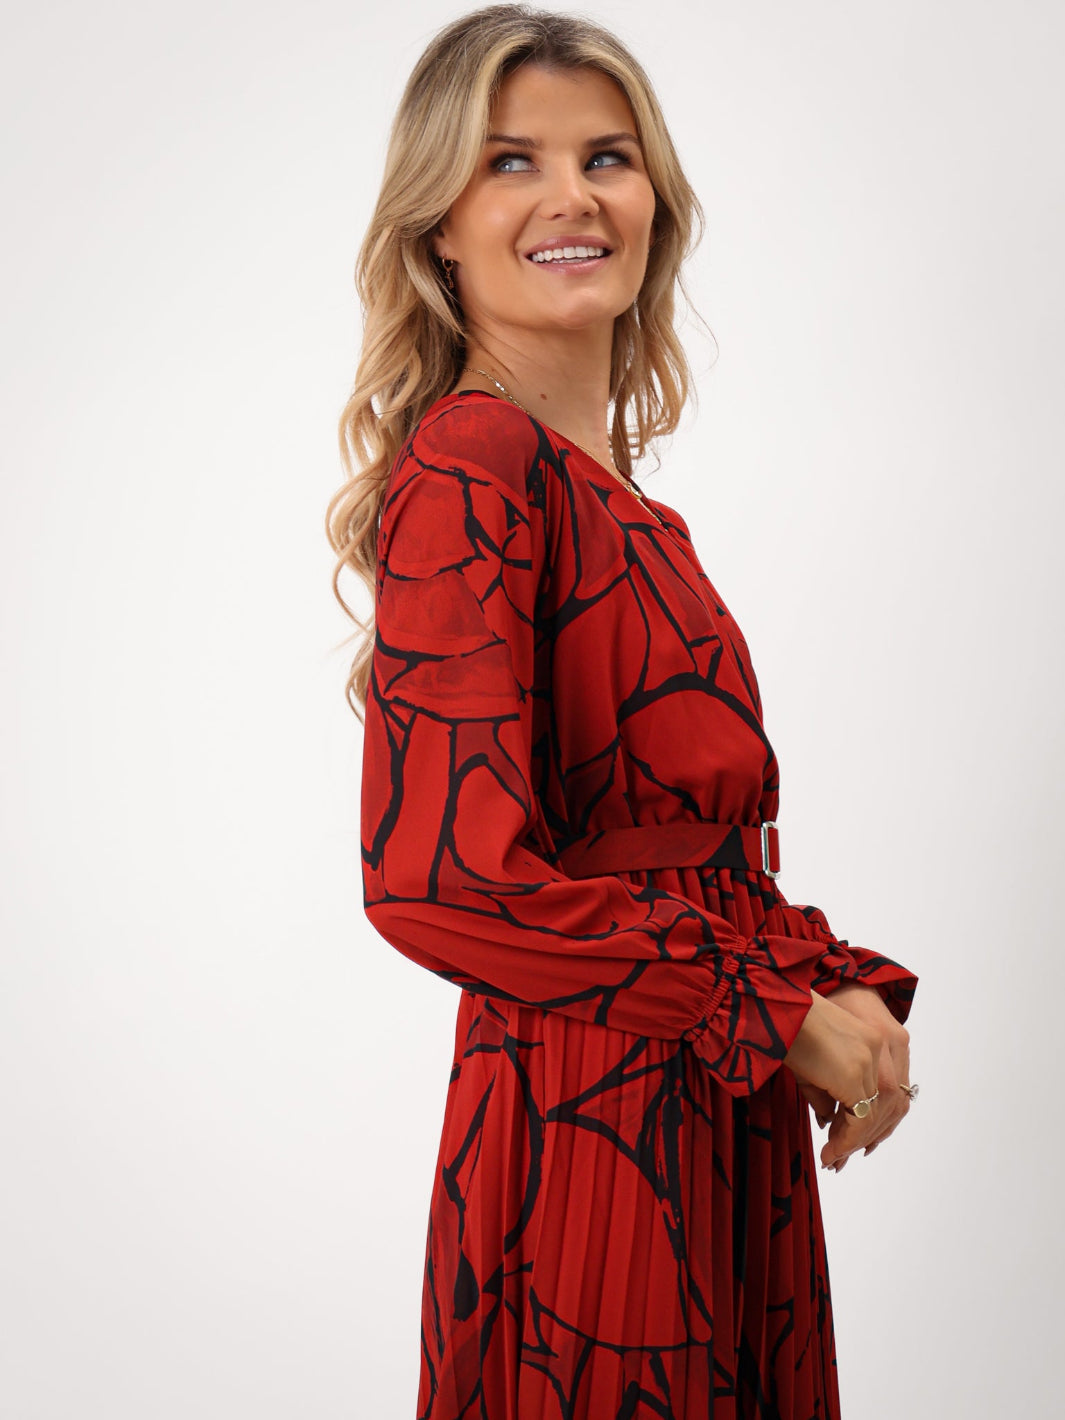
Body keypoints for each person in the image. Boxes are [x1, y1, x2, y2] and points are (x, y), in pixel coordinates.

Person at [326, 6, 919, 1416]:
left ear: (655, 201)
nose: (573, 195)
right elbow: (438, 879)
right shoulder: (474, 460)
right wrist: (764, 1009)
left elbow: (676, 853)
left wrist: (818, 987)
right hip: (592, 1122)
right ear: (438, 226)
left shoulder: (629, 510)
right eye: (510, 162)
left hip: (702, 1098)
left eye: (607, 156)